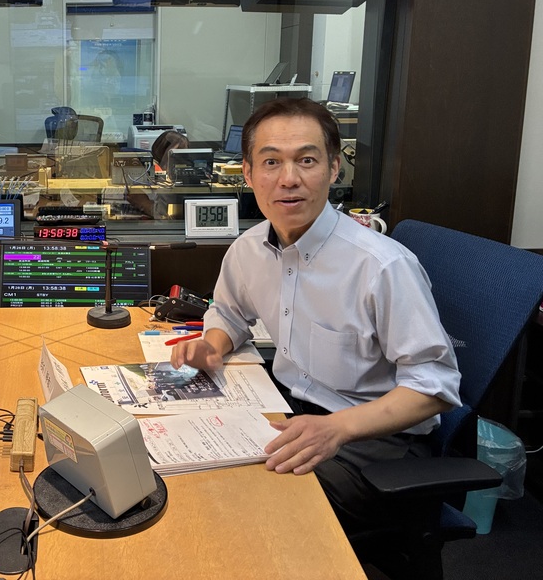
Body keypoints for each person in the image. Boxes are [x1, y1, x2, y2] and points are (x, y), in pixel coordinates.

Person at [170, 97, 461, 545]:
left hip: (375, 444)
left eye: (306, 160)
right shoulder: (249, 249)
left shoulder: (382, 266)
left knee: (238, 510)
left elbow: (435, 385)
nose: (289, 179)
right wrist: (213, 345)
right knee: (186, 468)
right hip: (291, 411)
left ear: (334, 169)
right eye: (271, 162)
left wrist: (337, 429)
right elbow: (229, 312)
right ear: (248, 173)